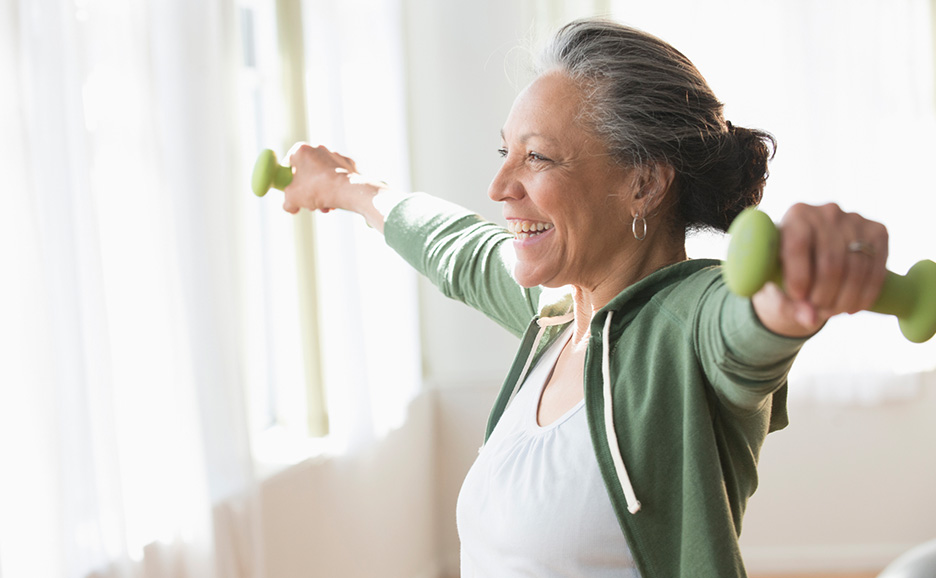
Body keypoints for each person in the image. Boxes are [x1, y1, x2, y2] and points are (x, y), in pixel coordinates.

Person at [280, 18, 889, 578]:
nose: (498, 186)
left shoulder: (684, 325)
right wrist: (346, 187)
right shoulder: (558, 317)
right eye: (505, 153)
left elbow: (742, 327)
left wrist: (793, 294)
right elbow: (456, 249)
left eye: (537, 157)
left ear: (643, 183)